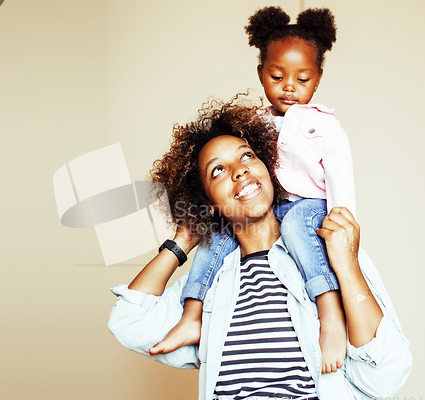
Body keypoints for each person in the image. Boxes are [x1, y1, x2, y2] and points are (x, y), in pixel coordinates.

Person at [108, 96, 411, 400]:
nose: (239, 172)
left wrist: (347, 267)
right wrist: (182, 242)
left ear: (268, 168)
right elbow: (129, 322)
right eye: (218, 171)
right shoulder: (209, 284)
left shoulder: (328, 255)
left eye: (247, 157)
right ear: (208, 201)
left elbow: (386, 377)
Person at [150, 7, 352, 375]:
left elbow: (340, 176)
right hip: (269, 208)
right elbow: (235, 172)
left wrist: (343, 224)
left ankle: (331, 314)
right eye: (277, 76)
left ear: (318, 79)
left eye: (302, 78)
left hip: (309, 207)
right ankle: (192, 314)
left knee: (293, 230)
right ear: (261, 73)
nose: (289, 86)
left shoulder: (325, 126)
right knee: (218, 236)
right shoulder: (252, 124)